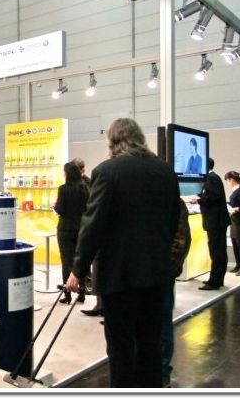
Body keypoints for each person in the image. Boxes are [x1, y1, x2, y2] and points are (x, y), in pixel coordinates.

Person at [66, 118, 180, 388]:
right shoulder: (165, 171)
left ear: (113, 141)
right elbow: (173, 221)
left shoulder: (107, 171)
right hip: (157, 274)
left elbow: (92, 225)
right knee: (150, 346)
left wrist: (77, 270)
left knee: (121, 349)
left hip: (119, 277)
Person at [161, 197, 192, 388]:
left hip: (161, 276)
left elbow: (181, 240)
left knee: (162, 325)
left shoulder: (174, 202)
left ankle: (162, 372)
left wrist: (168, 269)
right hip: (140, 275)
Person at [71, 157, 103, 317]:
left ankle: (97, 301)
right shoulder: (87, 182)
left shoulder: (90, 182)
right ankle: (98, 302)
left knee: (92, 261)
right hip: (85, 224)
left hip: (87, 225)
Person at [192, 158, 231, 290]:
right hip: (217, 220)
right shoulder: (213, 178)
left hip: (216, 221)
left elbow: (213, 197)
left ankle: (215, 281)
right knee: (218, 250)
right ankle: (217, 279)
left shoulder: (211, 178)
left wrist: (199, 199)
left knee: (217, 251)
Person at [53, 162, 89, 305]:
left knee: (66, 262)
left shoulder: (63, 189)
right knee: (80, 261)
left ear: (67, 173)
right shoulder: (85, 189)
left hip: (65, 229)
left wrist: (55, 205)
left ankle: (67, 294)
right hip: (81, 229)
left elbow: (60, 209)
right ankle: (82, 293)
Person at [224, 171, 240, 276]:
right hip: (234, 219)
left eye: (228, 180)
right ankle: (238, 265)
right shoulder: (236, 190)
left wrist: (235, 209)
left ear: (232, 180)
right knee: (234, 242)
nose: (227, 183)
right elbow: (234, 203)